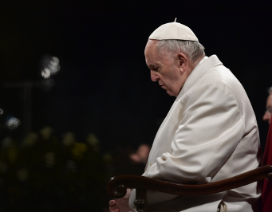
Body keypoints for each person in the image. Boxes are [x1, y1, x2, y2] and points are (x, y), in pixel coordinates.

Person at [109, 21, 261, 212]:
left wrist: (135, 199)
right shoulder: (203, 86)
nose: (152, 77)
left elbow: (187, 167)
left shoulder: (216, 88)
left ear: (181, 62)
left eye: (156, 68)